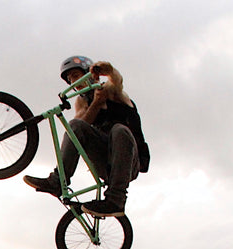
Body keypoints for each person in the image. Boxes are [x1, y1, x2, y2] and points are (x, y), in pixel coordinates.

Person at [23, 55, 149, 218]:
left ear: (88, 74)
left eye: (75, 76)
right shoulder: (82, 102)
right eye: (70, 80)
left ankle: (116, 200)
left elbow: (117, 81)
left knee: (119, 130)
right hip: (105, 163)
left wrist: (108, 70)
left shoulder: (111, 91)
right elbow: (78, 129)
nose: (73, 83)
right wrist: (96, 104)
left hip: (129, 162)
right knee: (74, 125)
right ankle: (57, 182)